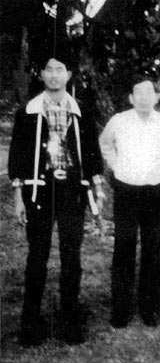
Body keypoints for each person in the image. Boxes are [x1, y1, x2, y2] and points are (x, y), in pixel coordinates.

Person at [8, 50, 104, 346]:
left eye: (59, 69)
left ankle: (70, 321)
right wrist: (18, 196)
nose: (53, 75)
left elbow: (91, 154)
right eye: (48, 69)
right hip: (39, 189)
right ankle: (31, 324)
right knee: (37, 257)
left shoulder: (81, 111)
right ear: (42, 75)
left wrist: (97, 189)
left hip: (71, 191)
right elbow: (18, 156)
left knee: (71, 257)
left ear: (68, 75)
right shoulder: (28, 112)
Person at [99, 75, 160, 329]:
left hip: (154, 191)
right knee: (124, 247)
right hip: (126, 191)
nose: (143, 97)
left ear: (157, 97)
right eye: (138, 93)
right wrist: (116, 165)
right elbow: (105, 144)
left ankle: (149, 309)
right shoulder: (119, 121)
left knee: (153, 248)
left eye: (149, 93)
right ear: (131, 98)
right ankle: (120, 309)